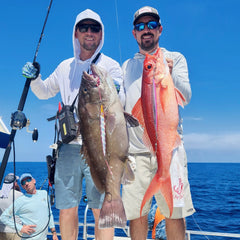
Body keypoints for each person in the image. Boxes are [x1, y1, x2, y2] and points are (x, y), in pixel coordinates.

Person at [21, 9, 123, 240]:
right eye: (84, 28)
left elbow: (121, 96)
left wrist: (115, 90)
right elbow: (45, 91)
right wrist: (35, 78)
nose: (89, 33)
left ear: (101, 34)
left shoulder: (111, 65)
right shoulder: (65, 66)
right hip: (68, 146)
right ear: (76, 33)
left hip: (101, 144)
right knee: (67, 208)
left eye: (94, 28)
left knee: (101, 206)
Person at [122, 6, 195, 240]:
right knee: (137, 215)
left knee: (175, 213)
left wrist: (169, 75)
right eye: (140, 26)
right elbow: (125, 108)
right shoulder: (126, 67)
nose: (146, 30)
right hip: (136, 153)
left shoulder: (175, 59)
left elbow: (186, 97)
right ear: (134, 33)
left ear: (160, 30)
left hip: (169, 151)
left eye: (151, 25)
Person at [0, 173, 58, 240]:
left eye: (28, 180)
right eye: (23, 182)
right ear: (22, 186)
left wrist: (54, 233)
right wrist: (20, 228)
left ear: (34, 181)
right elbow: (3, 217)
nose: (26, 183)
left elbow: (49, 214)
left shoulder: (44, 194)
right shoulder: (20, 199)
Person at [0, 173, 23, 240]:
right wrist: (18, 188)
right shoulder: (19, 195)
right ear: (14, 183)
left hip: (1, 230)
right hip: (15, 231)